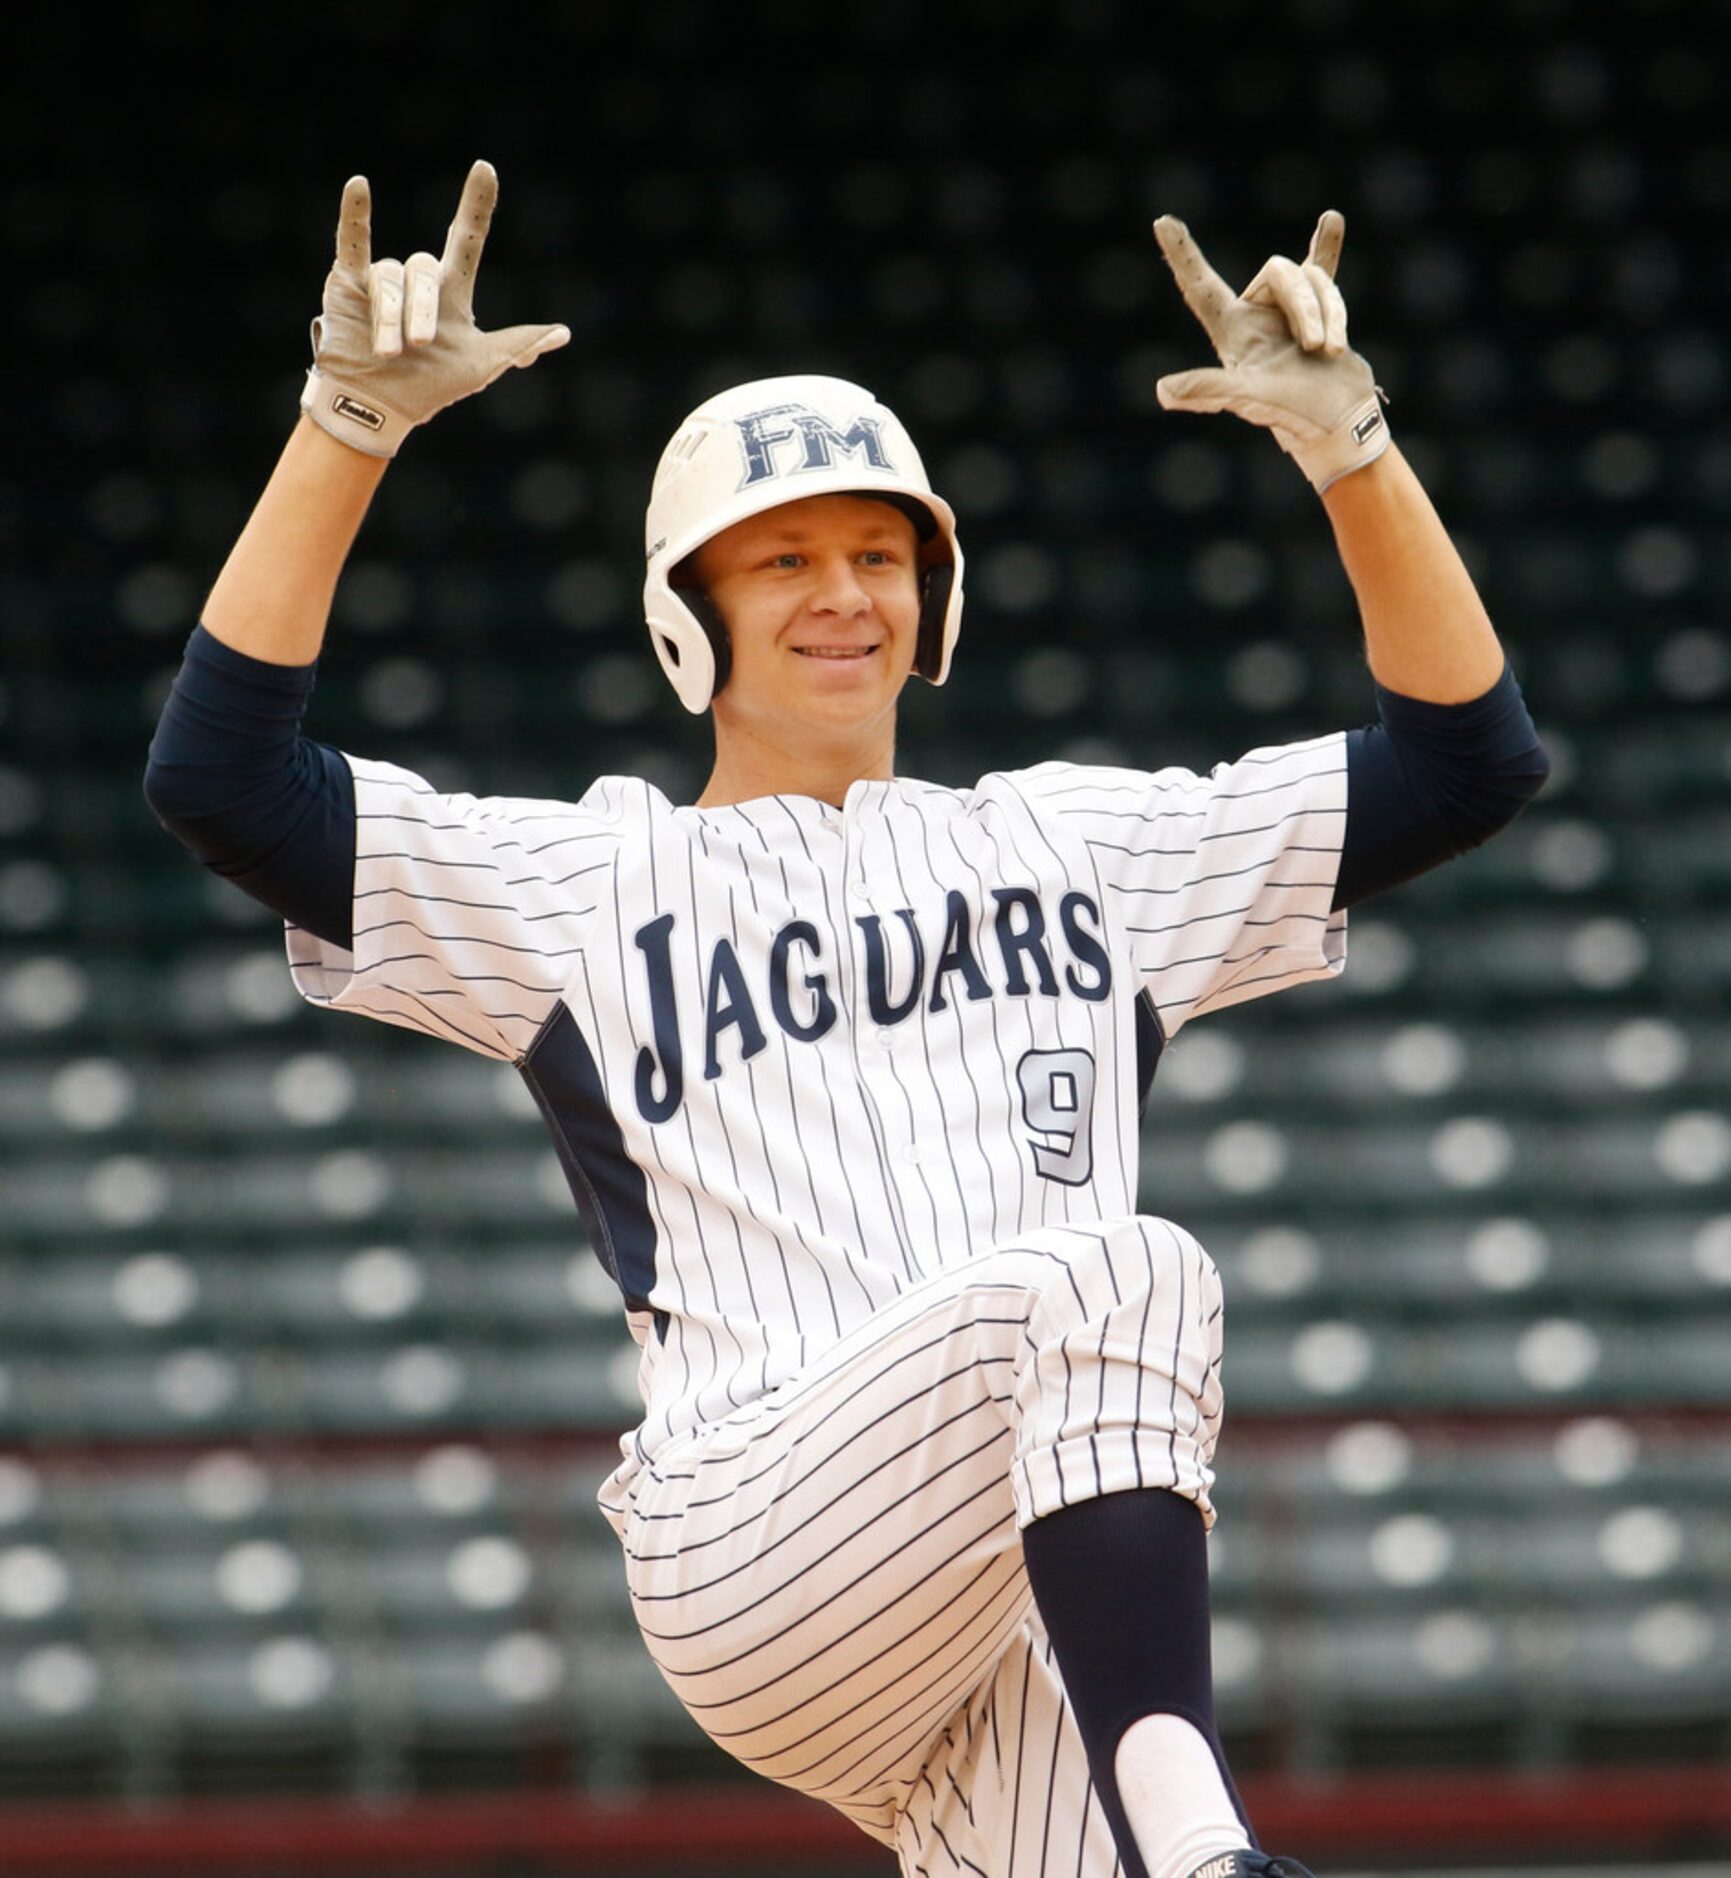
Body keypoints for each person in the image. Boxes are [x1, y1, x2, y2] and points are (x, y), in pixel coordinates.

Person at [145, 160, 1549, 1878]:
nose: (845, 591)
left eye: (883, 551)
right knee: (1121, 1271)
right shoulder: (588, 878)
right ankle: (1217, 1860)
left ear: (935, 599)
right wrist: (347, 424)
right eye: (787, 556)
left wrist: (1354, 452)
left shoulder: (1084, 846)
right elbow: (221, 779)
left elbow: (1468, 762)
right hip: (754, 1538)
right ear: (691, 616)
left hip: (997, 1572)